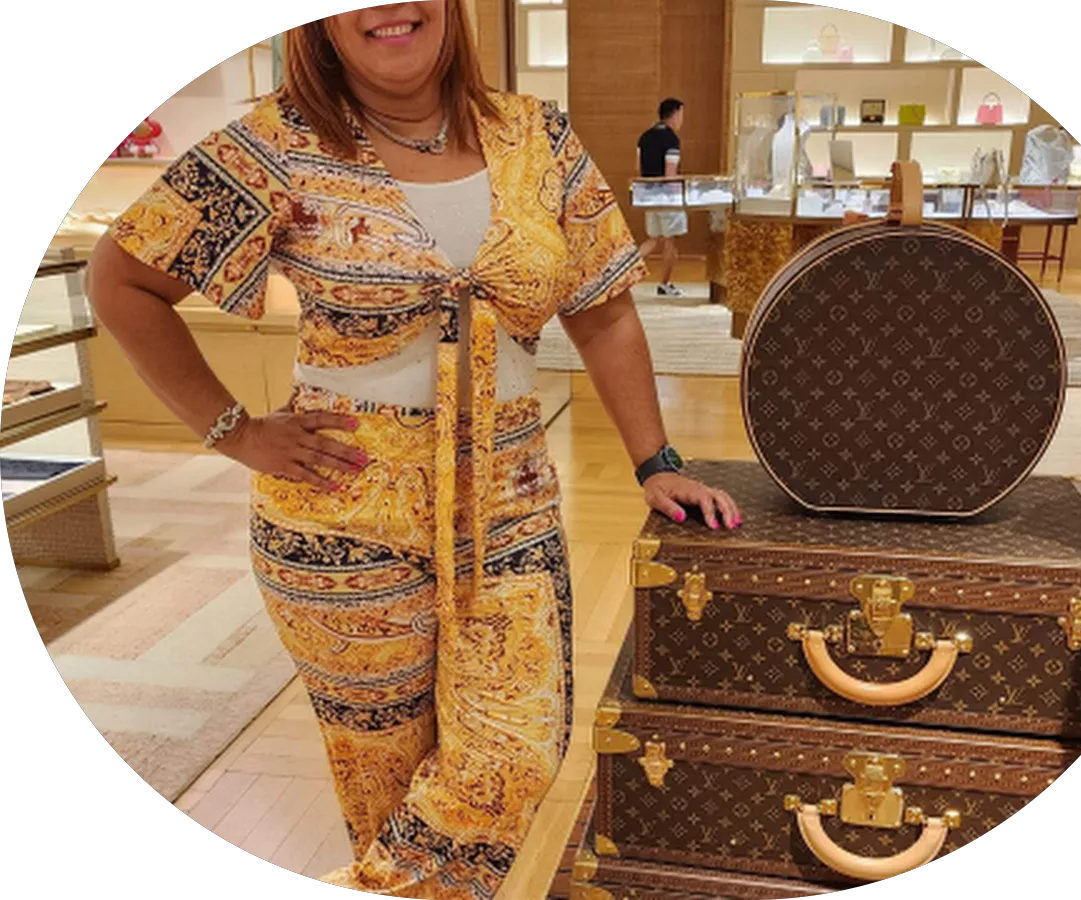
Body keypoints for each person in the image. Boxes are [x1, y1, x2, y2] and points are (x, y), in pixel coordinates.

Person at [83, 3, 742, 898]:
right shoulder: (276, 143)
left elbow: (605, 309)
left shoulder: (536, 135)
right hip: (339, 510)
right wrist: (235, 432)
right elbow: (121, 279)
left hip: (510, 497)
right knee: (382, 787)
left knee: (512, 756)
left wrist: (655, 460)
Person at [637, 98, 686, 297]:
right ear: (674, 114)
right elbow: (670, 172)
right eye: (681, 115)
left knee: (653, 239)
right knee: (670, 242)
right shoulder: (671, 140)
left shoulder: (644, 137)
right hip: (667, 197)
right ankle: (665, 283)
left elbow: (638, 167)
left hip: (648, 195)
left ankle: (622, 272)